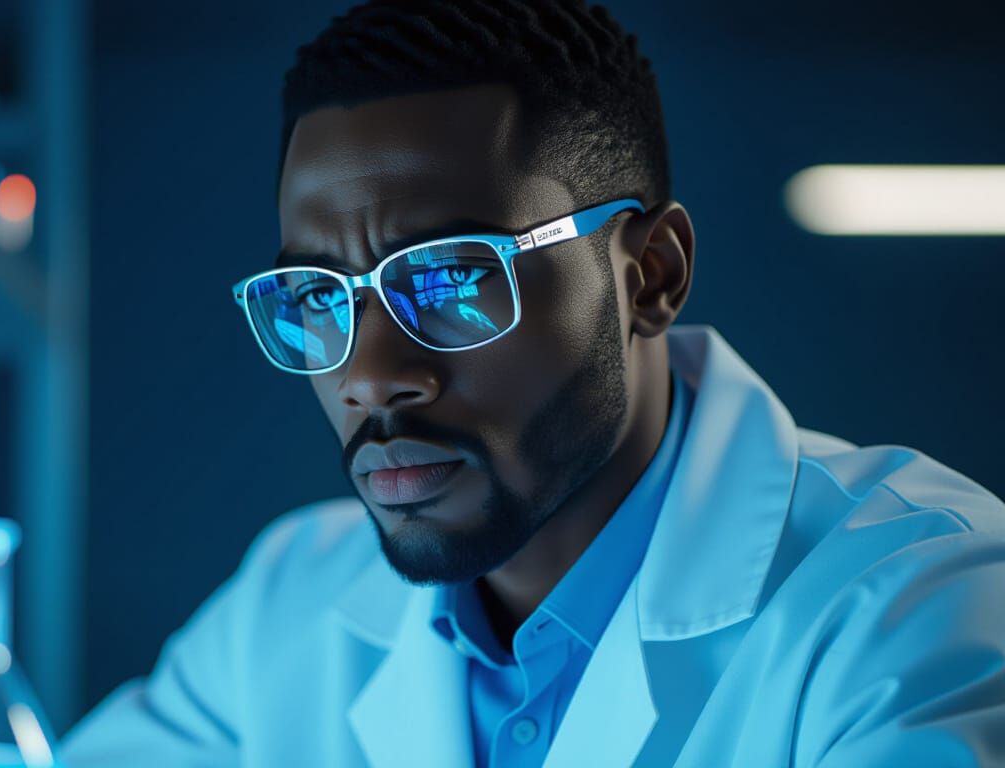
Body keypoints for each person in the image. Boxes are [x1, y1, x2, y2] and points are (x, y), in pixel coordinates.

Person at [64, 1, 1005, 765]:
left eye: (452, 279)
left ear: (651, 275)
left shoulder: (915, 602)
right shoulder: (287, 605)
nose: (371, 376)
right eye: (317, 295)